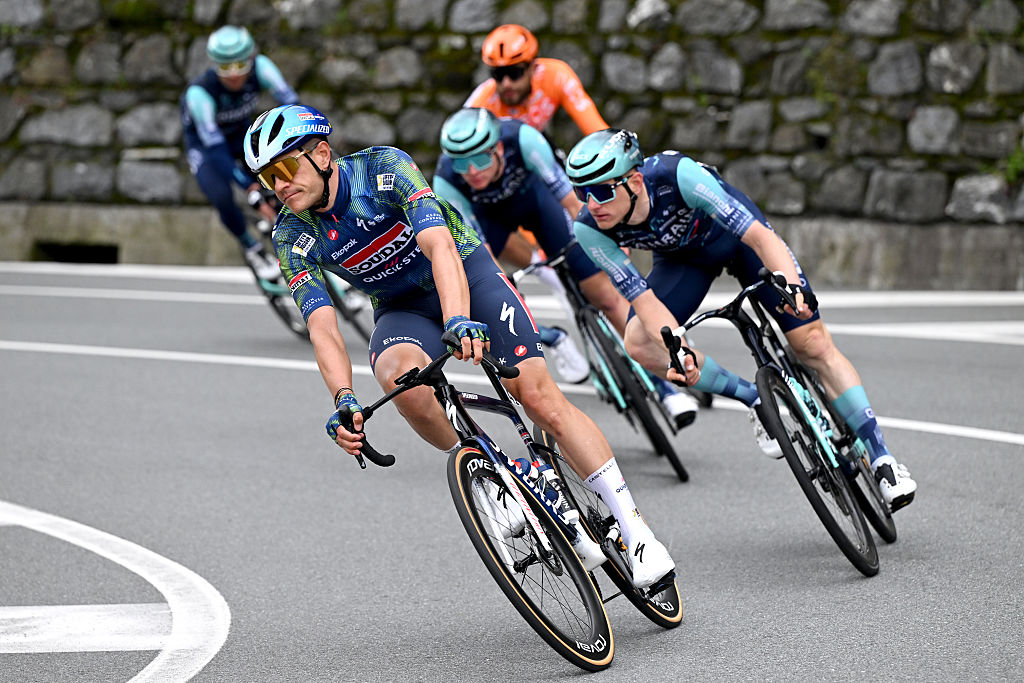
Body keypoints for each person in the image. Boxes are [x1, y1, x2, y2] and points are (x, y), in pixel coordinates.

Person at [243, 103, 677, 588]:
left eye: (285, 168)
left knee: (538, 398)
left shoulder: (383, 169)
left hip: (468, 274)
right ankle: (494, 478)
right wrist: (343, 398)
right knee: (401, 382)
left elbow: (440, 246)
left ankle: (637, 532)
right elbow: (322, 325)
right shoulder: (292, 233)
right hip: (402, 307)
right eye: (267, 178)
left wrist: (459, 319)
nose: (279, 185)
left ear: (322, 154)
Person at [564, 129, 917, 511]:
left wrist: (793, 288)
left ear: (634, 182)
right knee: (638, 342)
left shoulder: (676, 176)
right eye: (582, 192)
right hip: (685, 263)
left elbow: (761, 239)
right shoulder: (589, 228)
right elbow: (643, 300)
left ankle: (882, 460)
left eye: (601, 191)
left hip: (738, 240)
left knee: (812, 342)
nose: (591, 203)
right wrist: (677, 347)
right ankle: (754, 399)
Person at [434, 107, 699, 426]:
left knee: (606, 296)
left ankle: (666, 391)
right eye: (461, 163)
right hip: (490, 224)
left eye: (479, 159)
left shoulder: (523, 139)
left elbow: (573, 203)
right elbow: (481, 253)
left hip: (538, 203)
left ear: (499, 148)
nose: (471, 171)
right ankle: (552, 334)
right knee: (497, 297)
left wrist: (601, 245)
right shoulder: (446, 181)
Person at [180, 25, 298, 280]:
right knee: (222, 196)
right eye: (225, 68)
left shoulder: (262, 67)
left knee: (284, 174)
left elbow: (293, 106)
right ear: (214, 65)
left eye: (240, 66)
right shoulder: (199, 93)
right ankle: (252, 247)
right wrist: (250, 189)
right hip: (207, 146)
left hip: (240, 134)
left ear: (250, 60)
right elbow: (216, 149)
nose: (234, 75)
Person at [464, 24, 609, 139]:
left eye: (515, 73)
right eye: (498, 75)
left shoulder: (557, 76)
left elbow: (596, 130)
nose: (506, 83)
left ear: (533, 67)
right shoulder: (480, 103)